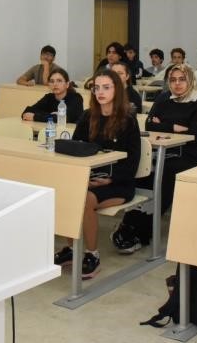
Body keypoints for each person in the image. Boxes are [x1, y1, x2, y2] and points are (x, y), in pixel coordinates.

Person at [53, 70, 141, 279]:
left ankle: (92, 254)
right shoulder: (88, 116)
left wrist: (109, 179)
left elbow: (132, 163)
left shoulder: (128, 120)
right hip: (89, 179)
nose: (100, 92)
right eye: (97, 87)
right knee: (65, 194)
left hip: (118, 182)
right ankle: (72, 249)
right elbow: (75, 149)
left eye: (106, 87)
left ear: (117, 90)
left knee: (83, 199)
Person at [139, 64, 197, 215]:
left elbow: (194, 136)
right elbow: (149, 124)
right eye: (173, 80)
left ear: (190, 81)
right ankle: (137, 216)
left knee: (166, 172)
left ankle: (147, 223)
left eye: (182, 79)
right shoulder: (164, 99)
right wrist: (174, 127)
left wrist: (162, 125)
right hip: (159, 153)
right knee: (139, 166)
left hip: (186, 155)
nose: (177, 84)